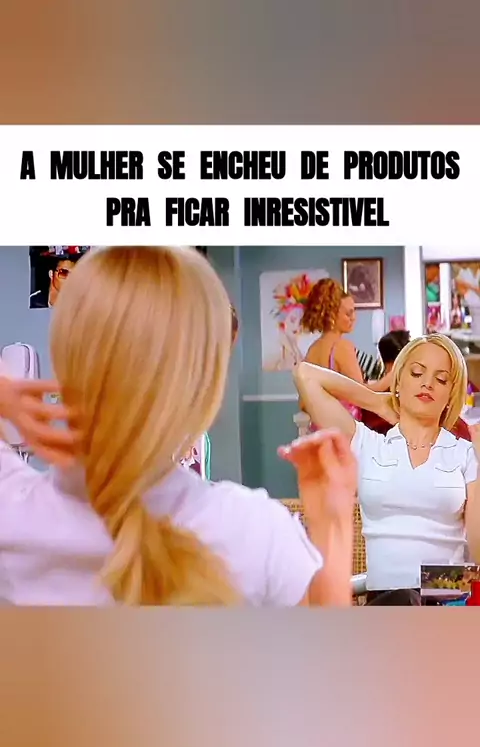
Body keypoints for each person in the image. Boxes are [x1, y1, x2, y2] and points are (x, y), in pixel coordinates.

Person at [0, 246, 356, 607]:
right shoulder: (255, 532)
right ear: (206, 379)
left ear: (63, 355)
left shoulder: (11, 511)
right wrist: (333, 526)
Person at [294, 333, 480, 604]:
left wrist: (423, 586)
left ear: (451, 394)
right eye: (416, 373)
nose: (427, 383)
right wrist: (374, 400)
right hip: (386, 601)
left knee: (410, 601)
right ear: (398, 380)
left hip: (445, 600)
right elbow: (305, 375)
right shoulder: (368, 444)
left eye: (441, 379)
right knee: (402, 601)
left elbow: (477, 557)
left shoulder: (466, 453)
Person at [301, 277, 362, 419]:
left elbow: (303, 404)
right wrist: (391, 377)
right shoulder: (342, 347)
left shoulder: (313, 350)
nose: (353, 318)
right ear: (332, 315)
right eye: (348, 313)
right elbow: (364, 394)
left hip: (319, 427)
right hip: (344, 428)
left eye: (354, 312)